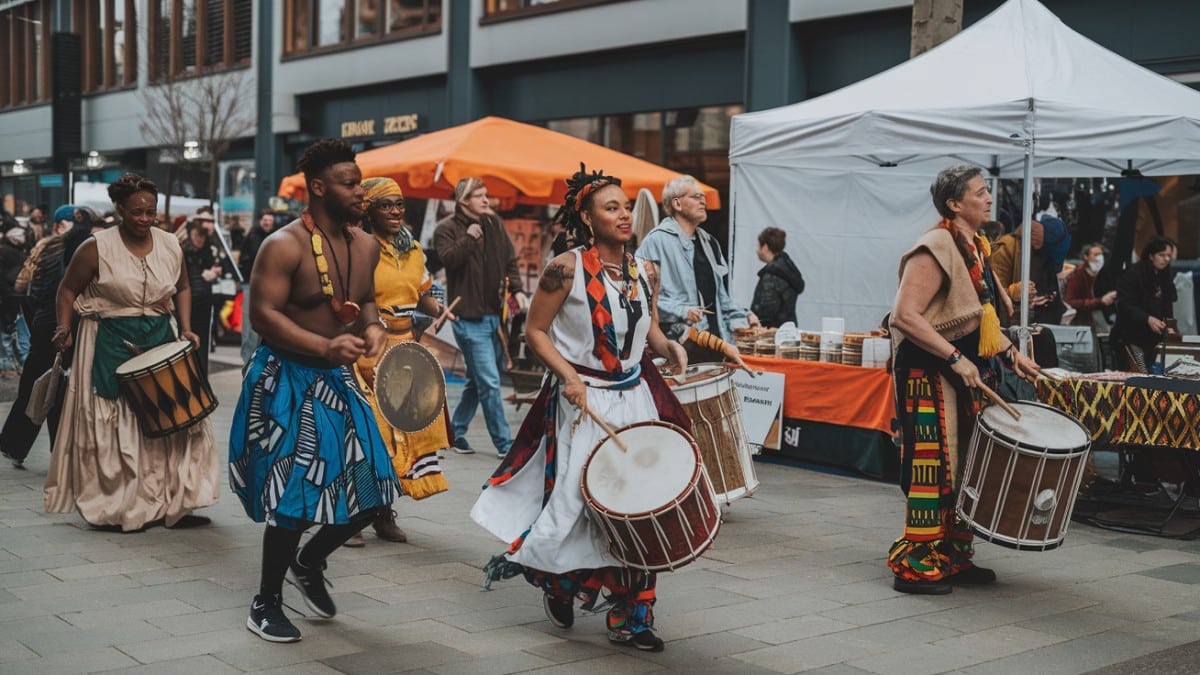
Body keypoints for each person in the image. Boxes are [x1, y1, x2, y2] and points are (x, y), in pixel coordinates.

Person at [472, 166, 692, 653]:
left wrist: (669, 346)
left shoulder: (644, 270)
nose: (624, 215)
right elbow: (534, 331)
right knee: (582, 505)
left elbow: (648, 330)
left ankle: (632, 614)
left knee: (640, 501)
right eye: (611, 207)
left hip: (636, 397)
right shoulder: (564, 269)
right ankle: (560, 582)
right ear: (587, 219)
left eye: (627, 206)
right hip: (584, 401)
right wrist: (569, 377)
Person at [228, 139, 397, 643]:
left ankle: (310, 560)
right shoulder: (283, 244)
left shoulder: (365, 244)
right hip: (285, 377)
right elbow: (263, 316)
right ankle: (266, 601)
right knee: (295, 497)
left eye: (360, 181)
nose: (361, 192)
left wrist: (375, 328)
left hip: (336, 379)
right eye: (350, 183)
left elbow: (364, 300)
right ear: (318, 187)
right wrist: (325, 346)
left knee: (374, 491)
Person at [887, 165, 1039, 595]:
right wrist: (955, 356)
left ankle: (953, 556)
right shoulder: (934, 245)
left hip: (963, 373)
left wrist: (1011, 352)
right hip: (926, 372)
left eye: (987, 191)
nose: (989, 198)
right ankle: (915, 565)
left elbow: (975, 313)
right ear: (955, 204)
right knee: (932, 467)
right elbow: (905, 316)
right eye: (980, 192)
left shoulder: (975, 245)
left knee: (966, 466)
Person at [43, 174, 220, 531]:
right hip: (108, 336)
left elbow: (183, 286)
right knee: (115, 419)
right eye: (136, 211)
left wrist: (186, 328)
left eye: (150, 212)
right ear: (120, 209)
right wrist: (64, 328)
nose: (144, 219)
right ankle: (116, 504)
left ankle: (172, 501)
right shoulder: (94, 247)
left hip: (160, 334)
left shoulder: (170, 244)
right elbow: (67, 290)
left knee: (172, 418)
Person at [343, 176, 453, 548]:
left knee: (403, 429)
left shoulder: (415, 250)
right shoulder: (357, 247)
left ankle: (384, 512)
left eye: (400, 204)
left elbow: (422, 295)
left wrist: (440, 308)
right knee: (369, 431)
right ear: (368, 210)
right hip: (368, 343)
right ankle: (354, 515)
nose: (395, 211)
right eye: (386, 205)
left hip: (406, 346)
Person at [432, 177, 527, 458]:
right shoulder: (445, 229)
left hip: (495, 317)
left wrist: (518, 291)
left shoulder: (494, 223)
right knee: (490, 382)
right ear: (463, 201)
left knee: (478, 380)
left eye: (486, 195)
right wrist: (470, 237)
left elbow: (510, 260)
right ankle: (505, 445)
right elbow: (448, 259)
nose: (486, 200)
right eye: (479, 196)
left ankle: (455, 430)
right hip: (468, 319)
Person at [636, 176, 759, 349]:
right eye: (696, 197)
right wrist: (683, 311)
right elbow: (640, 297)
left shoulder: (710, 242)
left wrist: (745, 315)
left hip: (717, 342)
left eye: (703, 197)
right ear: (677, 204)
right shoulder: (655, 241)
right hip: (679, 345)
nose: (703, 201)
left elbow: (721, 297)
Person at [0, 205, 79, 469]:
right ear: (58, 225)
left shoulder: (46, 248)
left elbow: (28, 291)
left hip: (45, 322)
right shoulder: (63, 252)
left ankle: (14, 446)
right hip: (58, 324)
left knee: (36, 386)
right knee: (54, 387)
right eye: (71, 222)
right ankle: (56, 451)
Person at [1111, 236, 1177, 372]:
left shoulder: (1164, 276)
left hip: (1154, 339)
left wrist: (1170, 325)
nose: (1166, 259)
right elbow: (1125, 305)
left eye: (1169, 255)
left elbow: (1167, 304)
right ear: (1151, 256)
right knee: (1139, 376)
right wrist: (1147, 318)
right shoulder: (1133, 274)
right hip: (1131, 337)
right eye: (1161, 255)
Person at [990, 219, 1066, 325]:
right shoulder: (1007, 248)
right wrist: (1015, 291)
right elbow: (991, 294)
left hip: (1038, 319)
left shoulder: (1047, 255)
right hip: (1010, 321)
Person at [181, 214, 223, 374]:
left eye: (212, 221)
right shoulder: (184, 241)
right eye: (207, 221)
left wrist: (216, 271)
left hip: (204, 299)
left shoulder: (211, 243)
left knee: (201, 342)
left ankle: (201, 378)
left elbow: (220, 263)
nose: (210, 225)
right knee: (185, 338)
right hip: (186, 297)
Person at [239, 208, 277, 363]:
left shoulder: (275, 236)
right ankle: (247, 358)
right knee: (249, 324)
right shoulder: (253, 236)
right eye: (265, 220)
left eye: (270, 220)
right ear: (261, 220)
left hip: (269, 286)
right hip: (252, 285)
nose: (267, 222)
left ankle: (261, 358)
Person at [750, 227, 806, 328]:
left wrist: (753, 321)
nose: (756, 250)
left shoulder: (771, 276)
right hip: (789, 330)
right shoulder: (788, 269)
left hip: (771, 335)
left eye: (758, 246)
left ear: (765, 247)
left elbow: (766, 311)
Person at [1064, 243, 1116, 331]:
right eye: (1096, 255)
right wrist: (1100, 301)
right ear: (1086, 256)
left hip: (1104, 319)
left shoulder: (1105, 274)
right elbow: (1071, 301)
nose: (1099, 258)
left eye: (1101, 254)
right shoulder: (1077, 275)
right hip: (1084, 322)